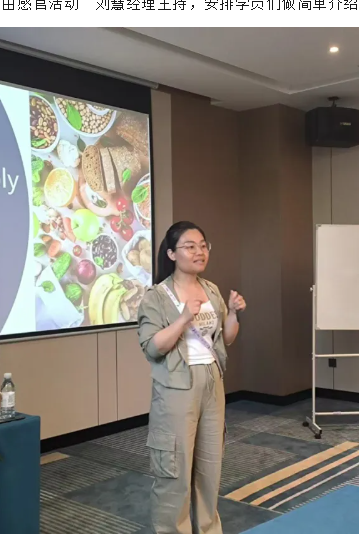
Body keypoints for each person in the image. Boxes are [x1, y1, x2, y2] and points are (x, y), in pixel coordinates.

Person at [137, 221, 246, 534]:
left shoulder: (210, 289)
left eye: (203, 245)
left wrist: (234, 313)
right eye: (190, 246)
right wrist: (184, 318)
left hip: (212, 380)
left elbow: (226, 338)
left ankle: (208, 533)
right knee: (175, 468)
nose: (199, 252)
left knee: (210, 466)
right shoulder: (157, 297)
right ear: (171, 254)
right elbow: (153, 347)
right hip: (177, 386)